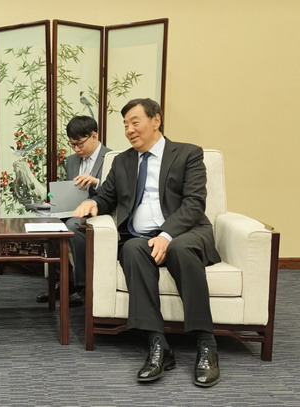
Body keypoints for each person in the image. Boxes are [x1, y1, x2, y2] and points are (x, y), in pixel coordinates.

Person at [73, 98, 221, 387]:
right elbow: (107, 197)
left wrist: (166, 236)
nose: (129, 130)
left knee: (179, 249)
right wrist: (94, 204)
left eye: (135, 122)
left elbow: (194, 204)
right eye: (125, 125)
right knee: (131, 249)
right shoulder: (123, 161)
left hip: (185, 232)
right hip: (141, 237)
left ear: (156, 120)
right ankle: (158, 345)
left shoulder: (188, 154)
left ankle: (207, 344)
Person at [36, 115, 111, 307]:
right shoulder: (71, 161)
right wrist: (54, 203)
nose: (76, 149)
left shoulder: (112, 158)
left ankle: (83, 287)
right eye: (72, 145)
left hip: (100, 212)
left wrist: (96, 182)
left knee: (72, 225)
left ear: (94, 136)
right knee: (47, 223)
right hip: (74, 210)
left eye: (79, 144)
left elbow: (118, 191)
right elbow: (71, 191)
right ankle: (60, 282)